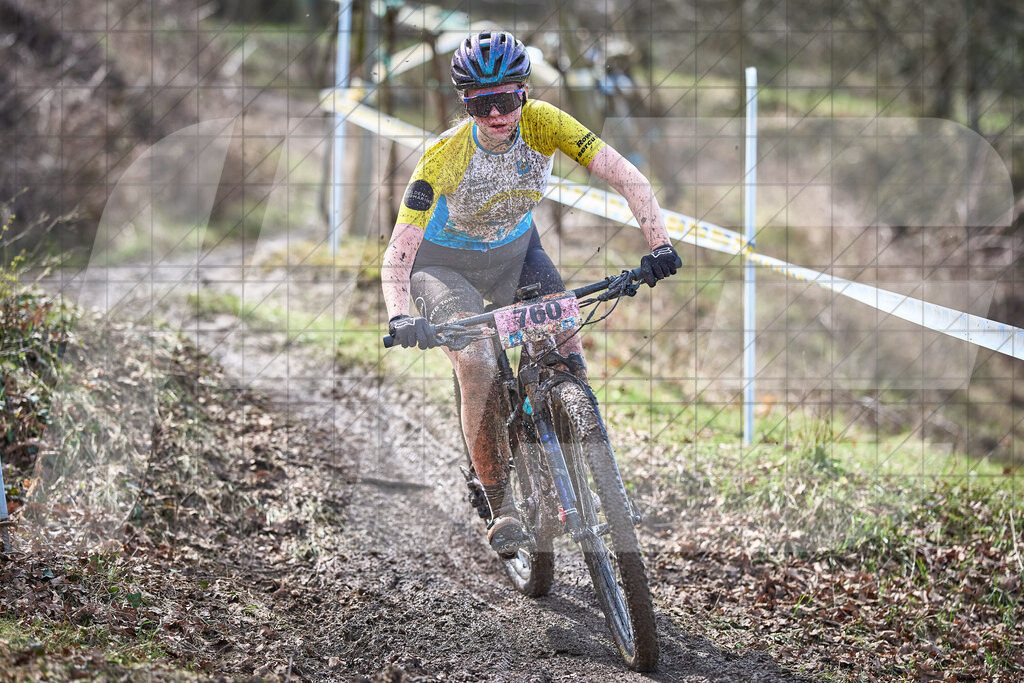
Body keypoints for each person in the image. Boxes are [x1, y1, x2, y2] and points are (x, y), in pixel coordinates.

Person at [381, 30, 679, 557]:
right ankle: (500, 506)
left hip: (517, 252)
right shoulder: (442, 157)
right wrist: (400, 315)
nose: (498, 114)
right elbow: (400, 248)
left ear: (524, 94)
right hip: (443, 265)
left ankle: (592, 460)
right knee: (476, 363)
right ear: (466, 104)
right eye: (482, 103)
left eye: (509, 99)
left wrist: (658, 245)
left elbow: (626, 176)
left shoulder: (545, 122)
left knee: (564, 337)